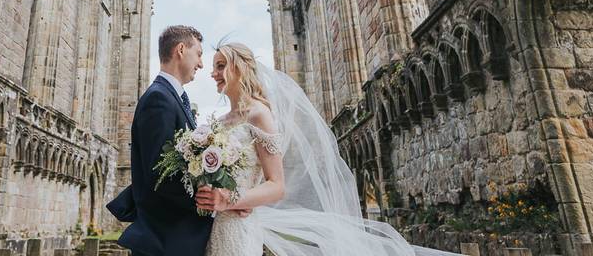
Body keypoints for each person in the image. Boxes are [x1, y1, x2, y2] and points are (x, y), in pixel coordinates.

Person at [195, 42, 442, 256]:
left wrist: (230, 199)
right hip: (215, 226)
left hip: (239, 227)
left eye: (220, 66)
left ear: (240, 68)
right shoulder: (220, 121)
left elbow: (276, 186)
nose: (213, 73)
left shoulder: (259, 114)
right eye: (214, 67)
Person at [107, 25, 214, 256]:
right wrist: (208, 203)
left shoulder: (172, 97)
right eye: (199, 54)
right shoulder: (159, 98)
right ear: (181, 49)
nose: (201, 64)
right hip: (165, 241)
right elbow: (160, 175)